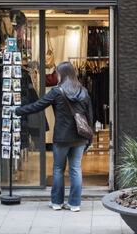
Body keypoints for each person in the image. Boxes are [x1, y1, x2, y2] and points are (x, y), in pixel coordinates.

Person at [16, 61, 93, 212]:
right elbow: (90, 115)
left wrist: (19, 110)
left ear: (61, 74)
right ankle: (75, 204)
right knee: (76, 169)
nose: (55, 75)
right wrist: (89, 137)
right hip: (80, 137)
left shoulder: (57, 92)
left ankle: (57, 203)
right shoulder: (83, 91)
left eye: (56, 73)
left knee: (58, 169)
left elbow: (38, 105)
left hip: (62, 137)